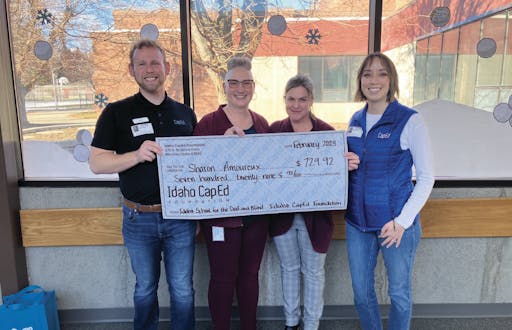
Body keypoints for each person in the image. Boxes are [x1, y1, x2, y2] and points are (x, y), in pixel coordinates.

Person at [89, 39, 197, 330]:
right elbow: (97, 163)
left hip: (180, 218)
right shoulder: (116, 112)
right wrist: (136, 155)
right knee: (145, 288)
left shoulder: (185, 114)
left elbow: (203, 162)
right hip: (138, 218)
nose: (149, 69)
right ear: (131, 70)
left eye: (155, 63)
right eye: (142, 64)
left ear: (167, 68)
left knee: (183, 290)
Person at [345, 53, 435, 330]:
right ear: (360, 80)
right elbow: (354, 165)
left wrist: (402, 222)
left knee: (398, 294)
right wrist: (343, 165)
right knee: (361, 294)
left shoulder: (410, 120)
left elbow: (427, 177)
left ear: (391, 80)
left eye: (382, 73)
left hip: (394, 224)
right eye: (367, 74)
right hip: (357, 223)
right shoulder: (355, 119)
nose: (374, 80)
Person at [268, 74, 359, 330]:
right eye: (291, 99)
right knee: (289, 269)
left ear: (311, 101)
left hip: (316, 219)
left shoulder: (328, 135)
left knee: (314, 273)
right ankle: (290, 322)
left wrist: (346, 166)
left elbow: (338, 176)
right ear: (284, 100)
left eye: (302, 99)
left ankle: (311, 325)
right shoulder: (274, 131)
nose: (296, 105)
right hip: (282, 218)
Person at [193, 56, 269, 330]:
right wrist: (218, 147)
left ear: (253, 86)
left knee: (250, 277)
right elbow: (194, 169)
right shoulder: (208, 123)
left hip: (255, 219)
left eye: (246, 83)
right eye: (234, 83)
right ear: (224, 86)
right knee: (223, 279)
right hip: (221, 219)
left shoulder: (262, 124)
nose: (240, 88)